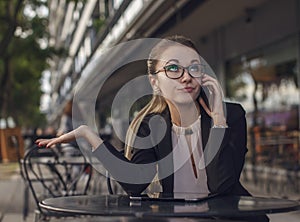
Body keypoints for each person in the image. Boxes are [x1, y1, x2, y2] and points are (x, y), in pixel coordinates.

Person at [36, 36, 268, 221]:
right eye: (174, 68)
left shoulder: (232, 116)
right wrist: (88, 134)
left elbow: (221, 184)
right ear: (154, 82)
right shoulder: (149, 126)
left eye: (194, 67)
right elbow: (135, 185)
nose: (186, 77)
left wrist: (218, 121)